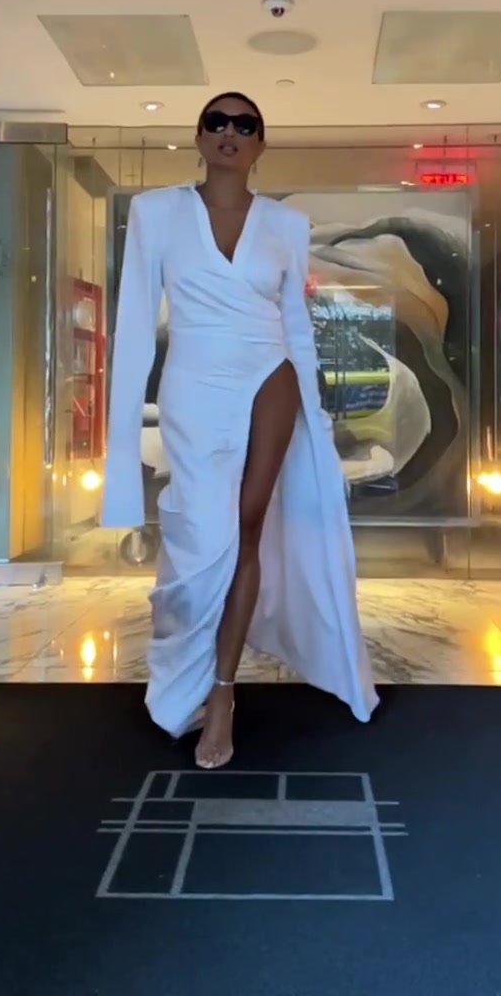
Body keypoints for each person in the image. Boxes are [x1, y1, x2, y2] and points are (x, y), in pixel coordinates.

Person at [102, 92, 378, 768]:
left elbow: (296, 324)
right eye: (216, 121)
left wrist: (315, 415)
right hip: (194, 384)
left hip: (270, 376)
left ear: (260, 144)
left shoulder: (287, 224)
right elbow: (134, 325)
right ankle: (184, 679)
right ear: (199, 137)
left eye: (244, 124)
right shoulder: (156, 212)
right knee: (203, 539)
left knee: (247, 529)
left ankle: (222, 691)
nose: (229, 131)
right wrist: (119, 446)